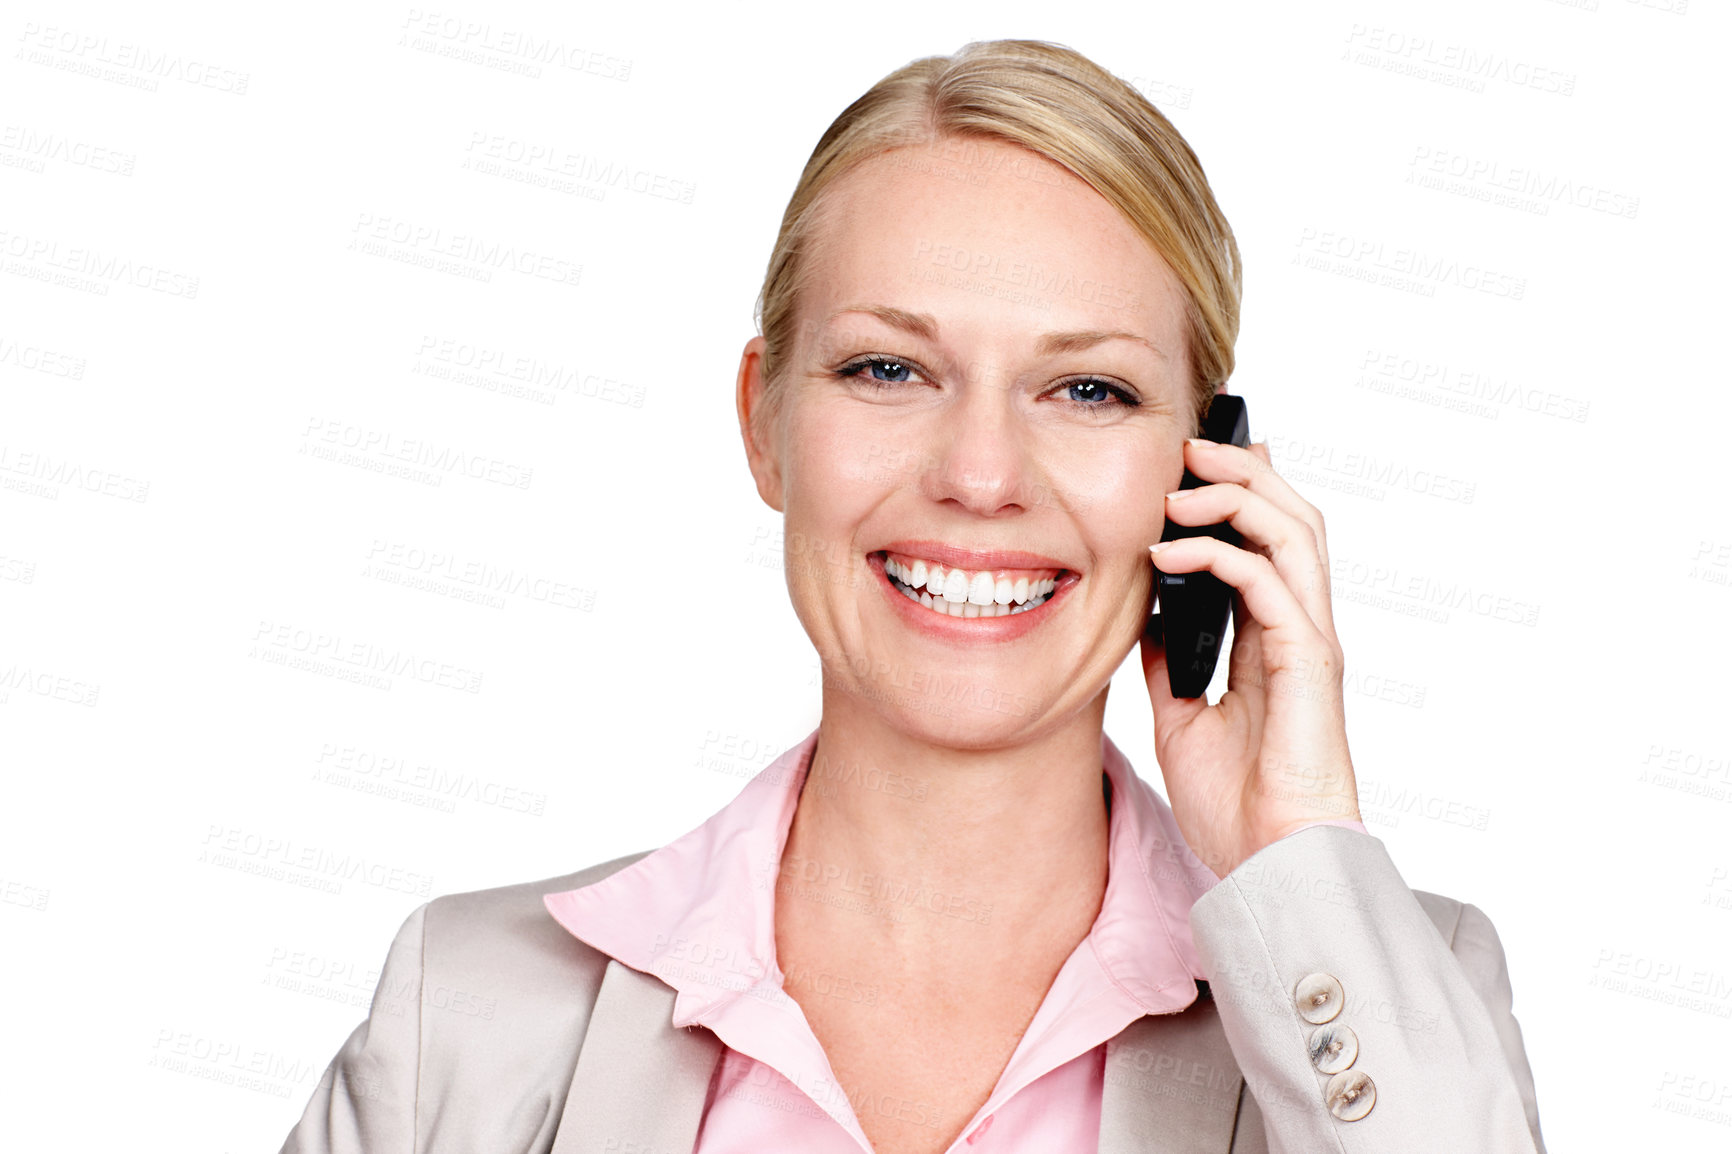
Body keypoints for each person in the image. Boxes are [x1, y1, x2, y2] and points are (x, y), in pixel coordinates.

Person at [280, 39, 1545, 1154]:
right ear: (763, 424)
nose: (981, 475)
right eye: (890, 368)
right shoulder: (467, 1010)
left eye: (1088, 389)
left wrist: (1292, 853)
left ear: (1202, 468)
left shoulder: (1393, 1001)